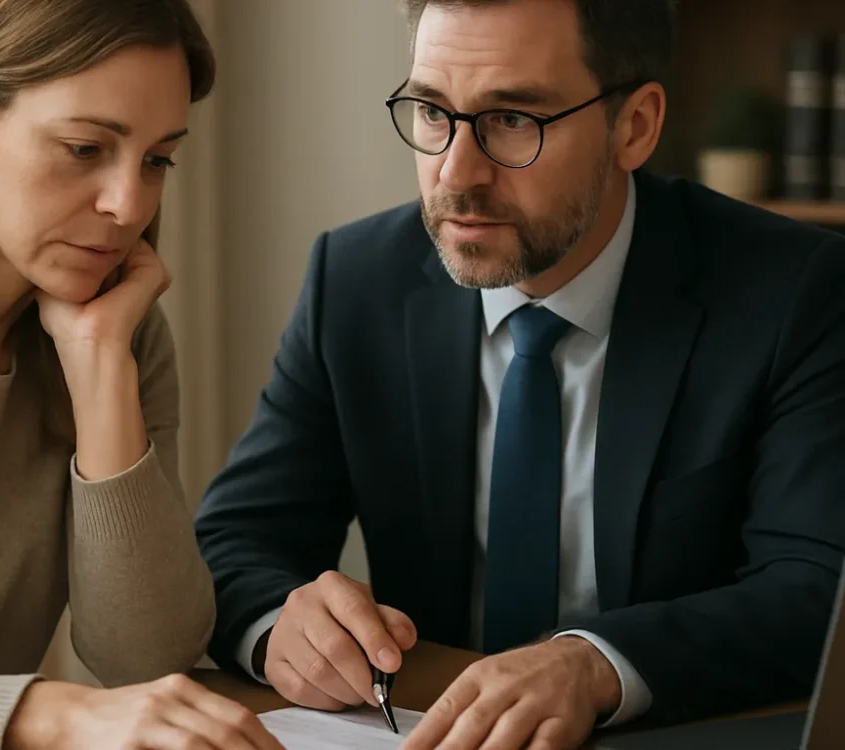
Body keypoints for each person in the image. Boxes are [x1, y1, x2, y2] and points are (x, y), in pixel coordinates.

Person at [194, 0, 845, 748]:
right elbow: (234, 541)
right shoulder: (356, 280)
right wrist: (284, 625)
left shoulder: (796, 292)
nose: (455, 173)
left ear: (634, 125)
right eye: (432, 111)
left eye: (512, 120)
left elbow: (815, 588)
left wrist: (593, 663)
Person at [0, 1, 283, 749]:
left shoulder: (120, 330)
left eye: (157, 160)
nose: (128, 207)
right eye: (85, 148)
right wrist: (52, 714)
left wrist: (100, 366)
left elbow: (145, 658)